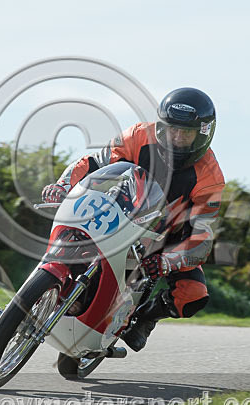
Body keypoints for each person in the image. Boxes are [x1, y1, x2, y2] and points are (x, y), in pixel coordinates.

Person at [41, 87, 225, 351]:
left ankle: (145, 318)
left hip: (166, 236)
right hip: (120, 207)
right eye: (172, 128)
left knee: (193, 295)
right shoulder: (139, 135)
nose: (177, 137)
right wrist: (62, 185)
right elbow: (94, 162)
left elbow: (202, 237)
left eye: (186, 133)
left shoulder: (211, 177)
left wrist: (167, 261)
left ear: (203, 135)